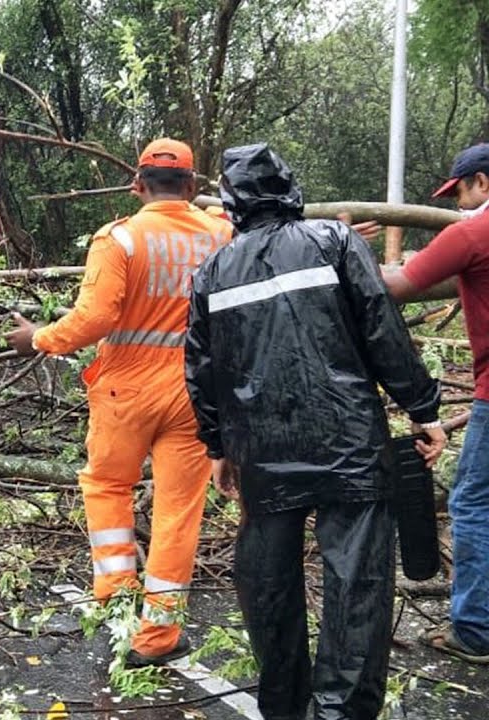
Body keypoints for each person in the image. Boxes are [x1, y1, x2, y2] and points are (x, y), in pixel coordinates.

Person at [185, 143, 446, 719]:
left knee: (268, 585)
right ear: (289, 189)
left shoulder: (212, 272)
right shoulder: (334, 242)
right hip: (347, 441)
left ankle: (283, 707)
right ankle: (342, 713)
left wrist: (218, 448)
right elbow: (382, 329)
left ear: (231, 203)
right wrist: (423, 409)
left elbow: (201, 370)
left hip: (262, 451)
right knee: (357, 587)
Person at [6, 139, 233, 666]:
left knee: (107, 485)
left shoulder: (120, 240)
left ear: (136, 184)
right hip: (196, 393)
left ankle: (116, 595)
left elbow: (94, 319)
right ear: (193, 188)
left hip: (124, 391)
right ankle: (156, 638)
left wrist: (38, 338)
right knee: (179, 512)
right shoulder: (223, 236)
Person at [383, 142, 489, 665]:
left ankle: (474, 630)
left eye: (462, 191)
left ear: (483, 183)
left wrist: (341, 251)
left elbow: (396, 285)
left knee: (472, 502)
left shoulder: (472, 233)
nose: (461, 203)